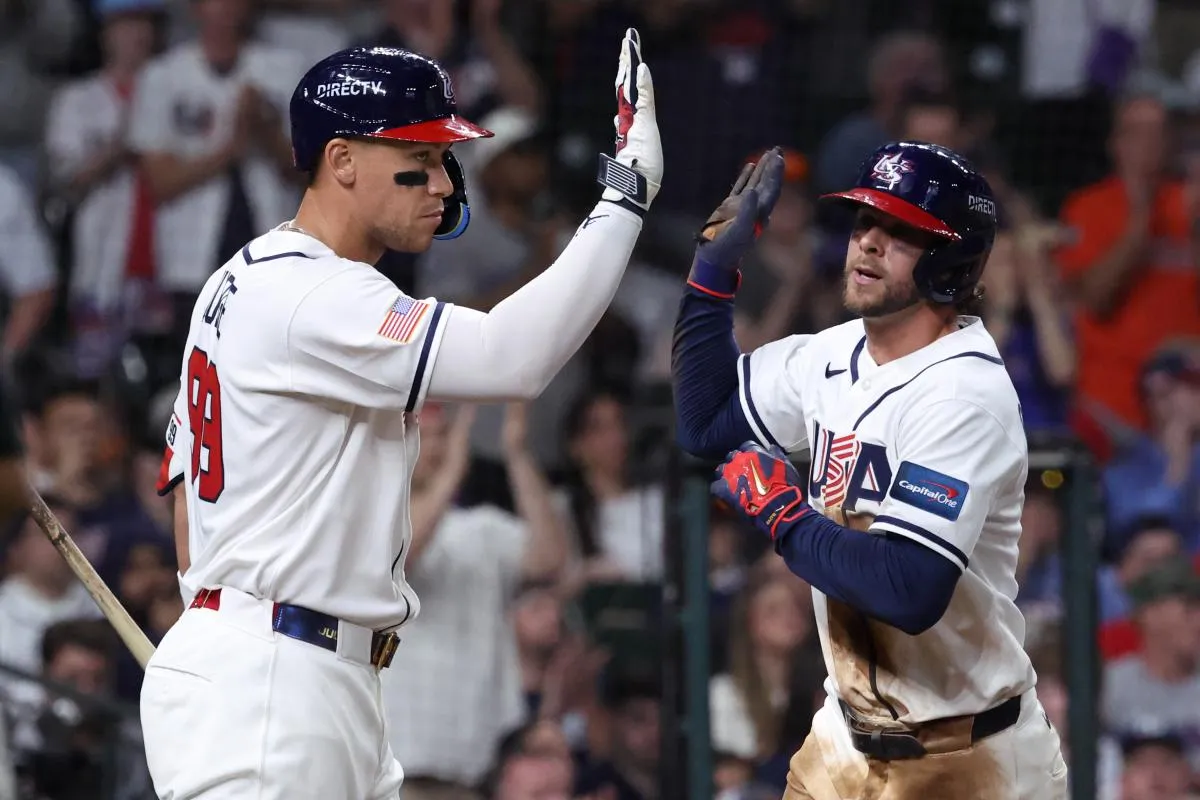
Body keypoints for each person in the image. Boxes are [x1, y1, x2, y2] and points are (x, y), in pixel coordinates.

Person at [140, 32, 662, 800]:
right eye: (416, 159)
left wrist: (214, 628)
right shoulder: (312, 293)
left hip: (291, 670)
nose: (444, 185)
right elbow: (511, 360)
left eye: (445, 160)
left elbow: (188, 502)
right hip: (274, 681)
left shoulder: (244, 278)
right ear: (342, 161)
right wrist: (623, 199)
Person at [671, 141, 1067, 798]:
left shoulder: (961, 394)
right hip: (845, 741)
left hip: (968, 755)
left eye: (902, 232)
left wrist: (784, 515)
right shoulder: (831, 355)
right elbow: (703, 422)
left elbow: (908, 589)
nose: (870, 243)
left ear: (952, 260)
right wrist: (713, 270)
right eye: (864, 222)